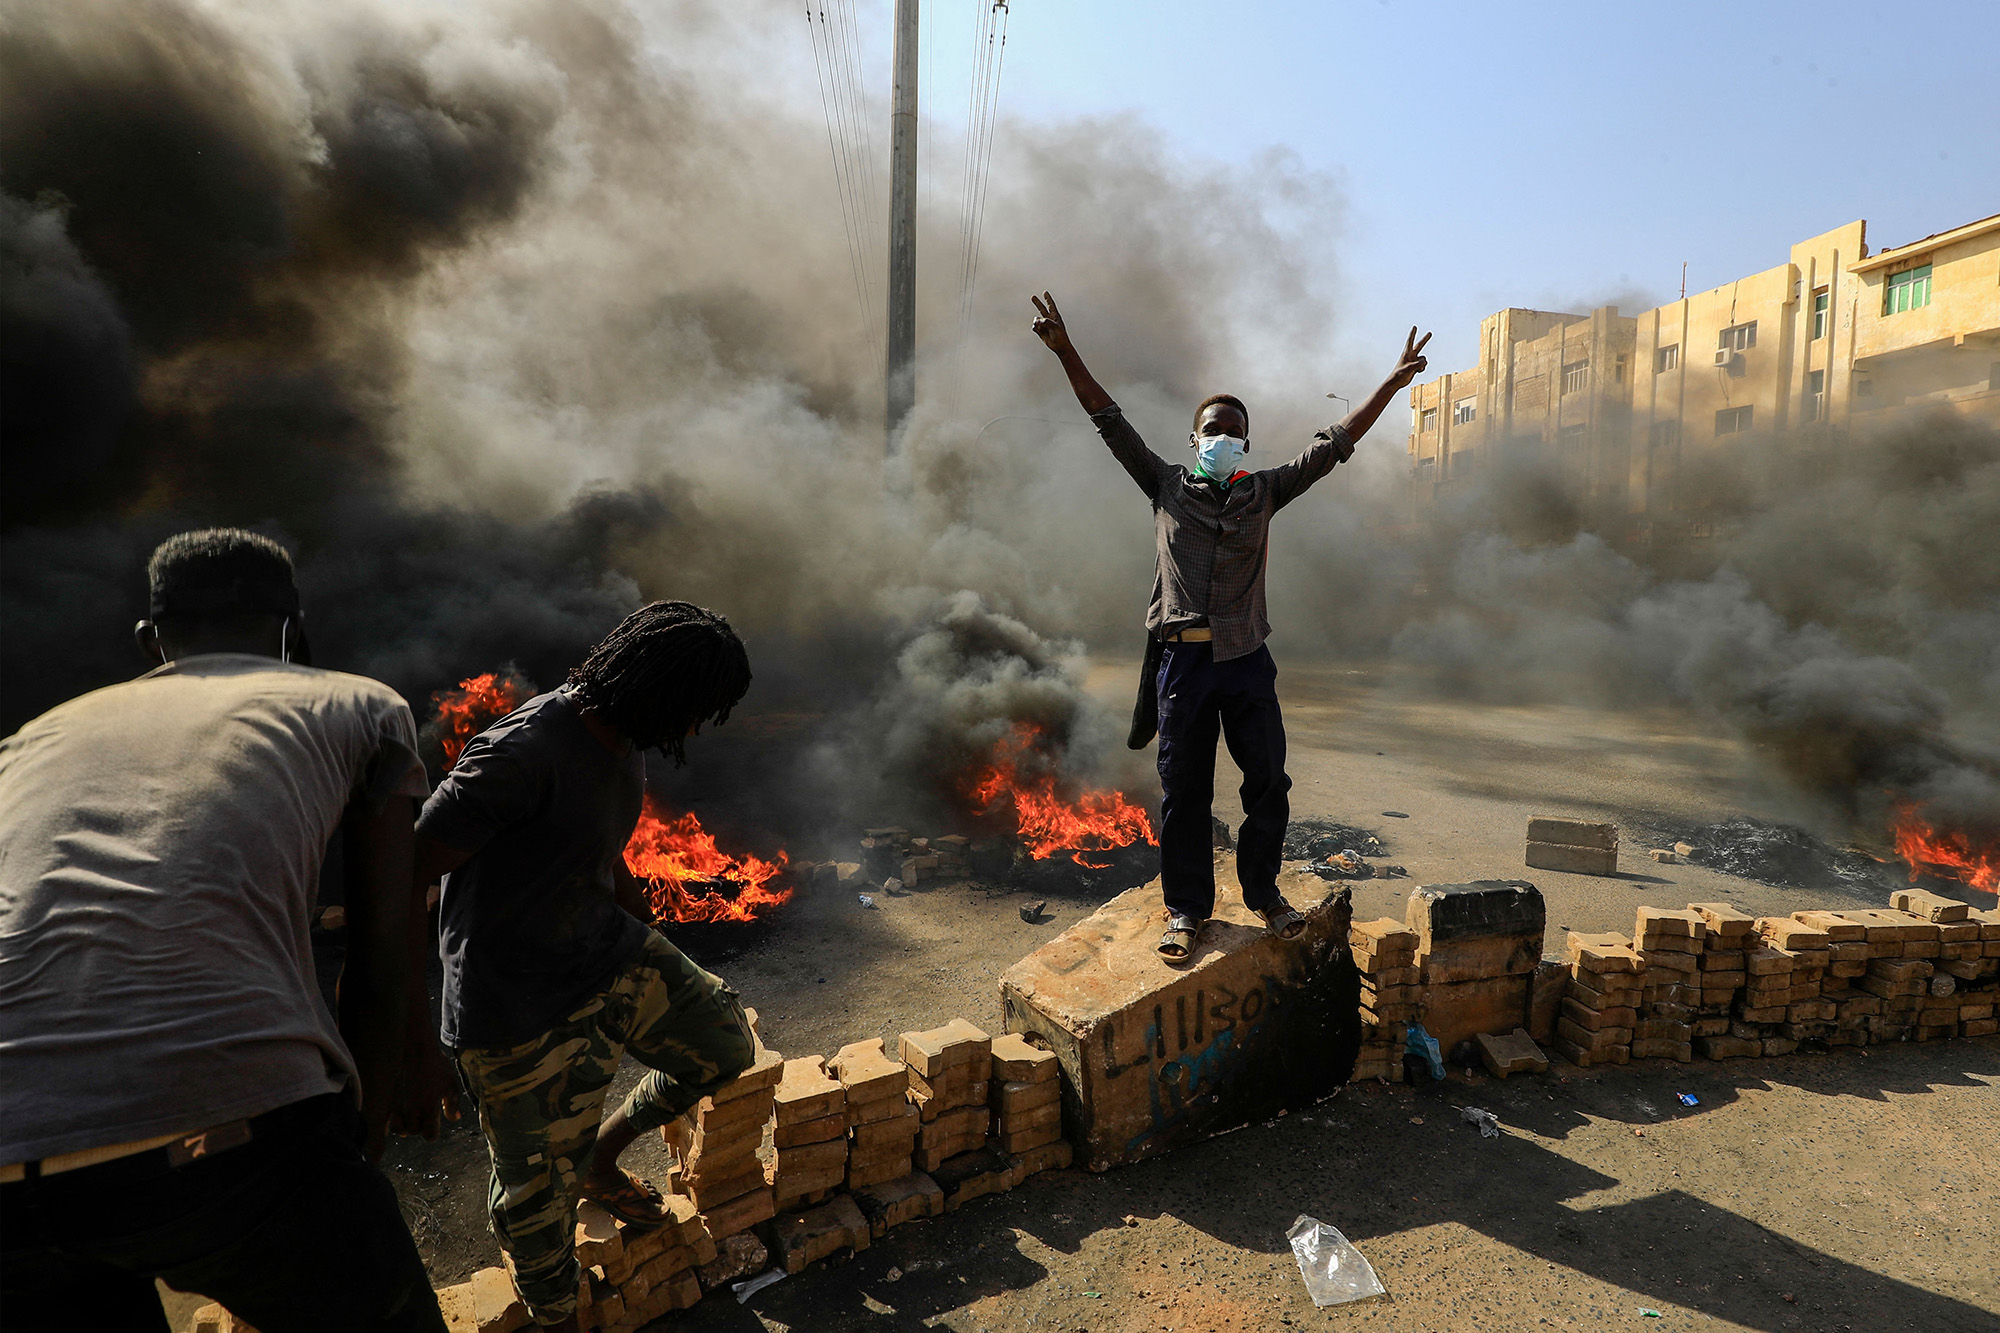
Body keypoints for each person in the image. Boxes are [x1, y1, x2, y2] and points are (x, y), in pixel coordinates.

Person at [0, 528, 446, 1332]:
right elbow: (383, 953)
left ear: (150, 640)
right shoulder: (358, 704)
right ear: (294, 631)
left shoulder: (29, 742)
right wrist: (363, 1136)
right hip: (224, 1132)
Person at [1031, 291, 1432, 965]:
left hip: (1247, 662)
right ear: (1195, 441)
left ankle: (1265, 895)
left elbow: (1334, 445)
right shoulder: (1163, 484)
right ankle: (1185, 910)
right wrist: (1067, 350)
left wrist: (1390, 385)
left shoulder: (1264, 491)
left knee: (1268, 782)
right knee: (1184, 793)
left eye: (1232, 430)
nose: (1221, 437)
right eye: (1211, 428)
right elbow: (1108, 419)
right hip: (1183, 667)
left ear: (1243, 444)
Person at [415, 601, 759, 1332]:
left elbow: (593, 843)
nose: (695, 730)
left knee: (724, 1042)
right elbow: (409, 871)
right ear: (656, 691)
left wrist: (639, 918)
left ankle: (601, 1159)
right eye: (696, 711)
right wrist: (423, 1037)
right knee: (534, 1207)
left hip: (600, 948)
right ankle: (555, 1315)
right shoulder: (518, 754)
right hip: (511, 1008)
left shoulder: (620, 735)